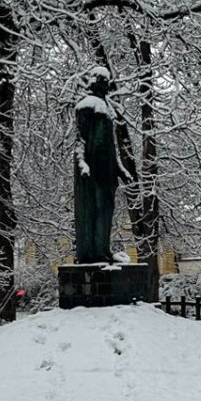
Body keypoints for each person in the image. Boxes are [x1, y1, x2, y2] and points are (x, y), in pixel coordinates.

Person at [74, 67, 120, 264]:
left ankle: (103, 248)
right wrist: (82, 162)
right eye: (104, 81)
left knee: (106, 210)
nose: (107, 85)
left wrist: (121, 169)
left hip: (107, 170)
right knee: (93, 210)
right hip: (92, 169)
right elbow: (80, 139)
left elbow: (112, 146)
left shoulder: (107, 108)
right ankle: (93, 252)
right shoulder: (86, 106)